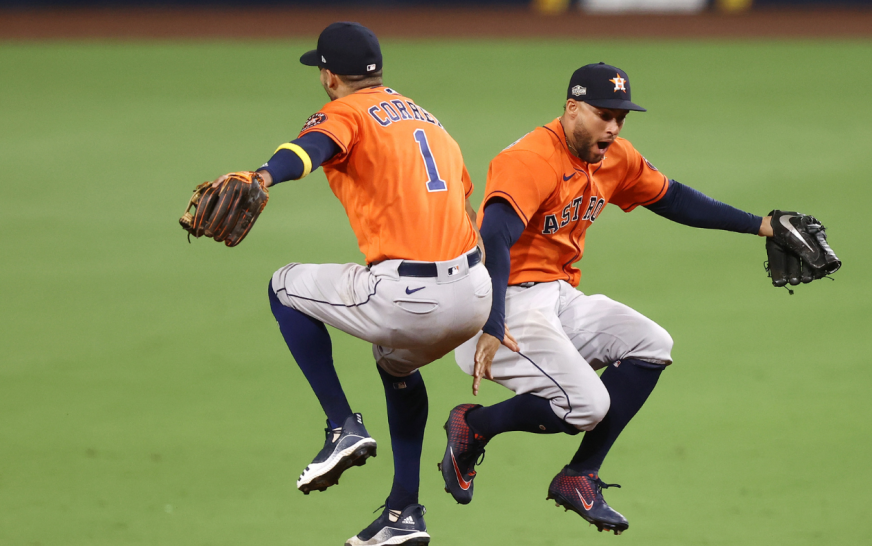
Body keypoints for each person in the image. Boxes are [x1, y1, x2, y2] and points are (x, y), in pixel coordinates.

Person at [439, 62, 780, 535]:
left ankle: (579, 474)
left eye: (620, 116)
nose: (614, 127)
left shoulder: (615, 156)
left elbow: (675, 198)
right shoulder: (531, 158)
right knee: (587, 407)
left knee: (651, 344)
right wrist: (493, 322)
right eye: (604, 114)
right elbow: (495, 236)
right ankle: (474, 426)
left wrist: (761, 224)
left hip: (556, 294)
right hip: (500, 301)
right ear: (572, 108)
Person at [216, 22, 490, 546]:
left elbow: (309, 148)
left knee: (284, 286)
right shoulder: (428, 120)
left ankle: (342, 424)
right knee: (396, 364)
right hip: (474, 294)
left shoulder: (345, 111)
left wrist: (262, 176)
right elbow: (466, 207)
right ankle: (403, 511)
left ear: (327, 76)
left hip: (409, 296)